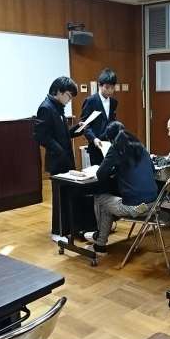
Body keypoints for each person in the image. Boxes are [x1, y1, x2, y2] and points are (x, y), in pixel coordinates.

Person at [84, 121, 158, 254]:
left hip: (135, 208)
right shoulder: (140, 146)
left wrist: (113, 169)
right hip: (153, 205)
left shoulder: (116, 148)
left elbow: (100, 174)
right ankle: (100, 239)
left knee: (100, 196)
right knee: (108, 202)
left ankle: (100, 243)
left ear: (112, 139)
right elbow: (152, 170)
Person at [34, 76, 81, 242]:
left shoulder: (58, 107)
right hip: (57, 160)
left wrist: (78, 129)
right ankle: (57, 232)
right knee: (59, 198)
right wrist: (59, 149)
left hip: (65, 159)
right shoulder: (46, 108)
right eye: (68, 95)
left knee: (68, 195)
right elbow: (41, 136)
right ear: (59, 92)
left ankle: (69, 228)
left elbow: (62, 134)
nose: (69, 100)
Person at [81, 68, 118, 165]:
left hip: (110, 145)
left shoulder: (114, 102)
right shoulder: (90, 101)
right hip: (96, 146)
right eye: (107, 87)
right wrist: (94, 139)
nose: (110, 91)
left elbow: (112, 121)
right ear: (100, 85)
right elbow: (85, 125)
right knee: (98, 173)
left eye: (112, 88)